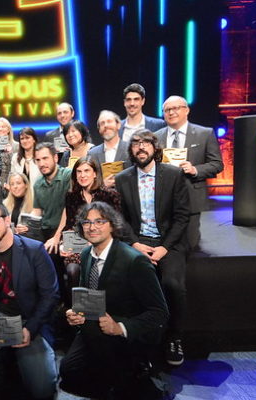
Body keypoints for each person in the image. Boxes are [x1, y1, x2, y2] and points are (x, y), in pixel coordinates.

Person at [59, 202, 169, 399]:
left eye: (99, 221)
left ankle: (136, 375)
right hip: (94, 326)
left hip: (124, 329)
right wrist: (76, 312)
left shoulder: (134, 261)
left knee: (115, 381)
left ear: (112, 225)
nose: (92, 227)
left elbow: (159, 313)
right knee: (69, 372)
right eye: (87, 222)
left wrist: (120, 327)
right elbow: (86, 295)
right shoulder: (86, 255)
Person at [0, 201, 59, 399]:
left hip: (29, 318)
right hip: (0, 315)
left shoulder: (34, 250)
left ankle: (14, 361)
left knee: (43, 391)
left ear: (7, 220)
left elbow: (50, 295)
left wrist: (30, 328)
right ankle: (1, 359)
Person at [114, 130, 190, 366]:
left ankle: (174, 337)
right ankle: (138, 340)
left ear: (155, 148)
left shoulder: (174, 174)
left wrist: (164, 248)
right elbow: (120, 219)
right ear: (131, 150)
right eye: (136, 143)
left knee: (172, 284)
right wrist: (135, 244)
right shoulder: (122, 178)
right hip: (137, 242)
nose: (141, 147)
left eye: (146, 143)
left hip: (169, 243)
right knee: (130, 285)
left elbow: (182, 217)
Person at [155, 95, 224, 250]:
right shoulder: (156, 137)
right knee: (167, 245)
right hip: (164, 199)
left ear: (186, 110)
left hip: (191, 196)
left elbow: (217, 164)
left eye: (175, 108)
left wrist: (195, 169)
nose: (171, 112)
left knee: (190, 245)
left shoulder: (204, 133)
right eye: (167, 110)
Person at [60, 158, 123, 291]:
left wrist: (93, 241)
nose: (82, 175)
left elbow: (116, 228)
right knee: (72, 270)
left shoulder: (110, 195)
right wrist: (64, 244)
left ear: (95, 173)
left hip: (103, 245)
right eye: (79, 172)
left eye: (86, 171)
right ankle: (74, 304)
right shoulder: (71, 196)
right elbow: (70, 225)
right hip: (79, 246)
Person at [32, 142, 72, 302]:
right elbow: (37, 211)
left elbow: (68, 209)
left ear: (55, 158)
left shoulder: (68, 175)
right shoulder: (38, 183)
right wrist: (25, 224)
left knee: (55, 258)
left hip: (67, 230)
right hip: (46, 230)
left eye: (45, 158)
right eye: (38, 160)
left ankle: (65, 303)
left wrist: (56, 237)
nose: (42, 163)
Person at [88, 110, 131, 188]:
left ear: (118, 125)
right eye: (102, 123)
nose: (106, 125)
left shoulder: (130, 149)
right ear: (99, 129)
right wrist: (102, 185)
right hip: (102, 195)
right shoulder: (92, 154)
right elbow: (90, 182)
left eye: (109, 121)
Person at [9, 127, 42, 203]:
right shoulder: (15, 158)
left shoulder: (40, 157)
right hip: (19, 200)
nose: (24, 141)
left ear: (34, 140)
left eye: (27, 138)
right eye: (22, 139)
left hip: (38, 199)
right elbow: (13, 178)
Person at [0, 117, 18, 184]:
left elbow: (18, 167)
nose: (0, 129)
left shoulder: (17, 146)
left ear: (8, 129)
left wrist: (10, 153)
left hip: (12, 182)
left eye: (3, 127)